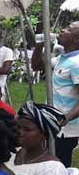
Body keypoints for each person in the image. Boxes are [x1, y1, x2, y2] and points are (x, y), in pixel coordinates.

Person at [31, 21, 79, 167]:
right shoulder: (62, 58)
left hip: (65, 128)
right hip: (53, 122)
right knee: (49, 162)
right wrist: (40, 45)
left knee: (60, 165)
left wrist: (66, 118)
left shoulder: (76, 63)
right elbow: (37, 65)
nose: (62, 30)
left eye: (68, 29)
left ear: (76, 39)